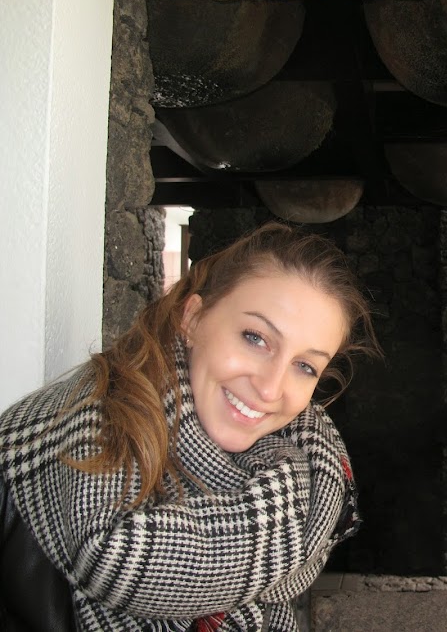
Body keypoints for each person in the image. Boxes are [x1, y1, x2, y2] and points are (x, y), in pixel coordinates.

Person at [0, 222, 382, 631]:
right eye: (255, 338)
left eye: (305, 366)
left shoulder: (298, 476)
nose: (270, 389)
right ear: (193, 319)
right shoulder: (53, 448)